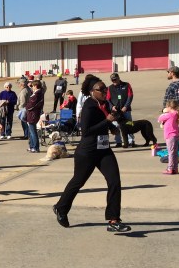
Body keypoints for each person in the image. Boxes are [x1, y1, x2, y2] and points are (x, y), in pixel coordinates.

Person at [53, 75, 131, 233]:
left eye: (105, 88)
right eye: (101, 89)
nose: (104, 91)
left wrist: (112, 127)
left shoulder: (104, 104)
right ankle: (61, 207)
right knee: (78, 182)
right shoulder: (88, 106)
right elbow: (86, 131)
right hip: (87, 151)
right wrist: (107, 121)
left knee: (114, 181)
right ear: (91, 92)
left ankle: (114, 220)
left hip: (104, 149)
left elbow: (105, 120)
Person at [106, 73, 134, 147]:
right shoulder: (110, 88)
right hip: (115, 111)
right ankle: (118, 141)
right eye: (112, 80)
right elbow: (107, 99)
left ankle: (131, 141)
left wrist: (126, 106)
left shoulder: (127, 85)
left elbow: (130, 96)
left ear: (118, 78)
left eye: (115, 79)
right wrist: (112, 107)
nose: (114, 81)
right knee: (116, 125)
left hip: (126, 110)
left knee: (129, 124)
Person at [158, 100, 179, 175]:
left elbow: (159, 118)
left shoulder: (169, 114)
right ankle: (175, 168)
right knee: (174, 153)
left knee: (171, 153)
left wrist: (164, 112)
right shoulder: (176, 114)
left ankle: (170, 168)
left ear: (169, 107)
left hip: (170, 135)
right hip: (175, 135)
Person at [24, 80, 44, 153]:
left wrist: (26, 106)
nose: (32, 87)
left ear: (35, 86)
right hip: (32, 114)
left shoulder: (37, 94)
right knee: (31, 131)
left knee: (33, 132)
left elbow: (31, 105)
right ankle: (32, 146)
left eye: (32, 86)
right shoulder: (37, 93)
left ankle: (35, 147)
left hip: (33, 114)